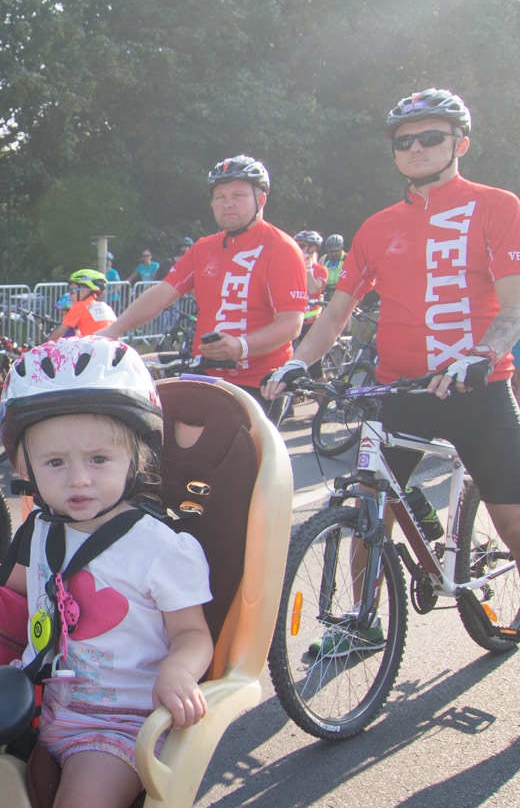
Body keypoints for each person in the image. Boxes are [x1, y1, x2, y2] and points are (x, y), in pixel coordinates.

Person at [0, 336, 212, 808]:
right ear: (26, 464)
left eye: (98, 458)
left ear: (135, 455)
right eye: (55, 461)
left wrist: (180, 666)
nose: (79, 479)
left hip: (117, 727)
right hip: (46, 706)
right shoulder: (39, 530)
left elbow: (194, 633)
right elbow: (15, 603)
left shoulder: (159, 547)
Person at [265, 89, 520, 582]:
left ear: (460, 143)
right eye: (404, 142)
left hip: (477, 389)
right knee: (366, 517)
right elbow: (336, 313)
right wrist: (299, 361)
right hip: (399, 392)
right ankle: (361, 627)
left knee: (511, 517)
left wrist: (484, 354)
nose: (416, 148)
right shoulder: (378, 227)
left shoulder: (497, 206)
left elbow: (513, 303)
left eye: (430, 137)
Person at [98, 156, 307, 412]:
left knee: (234, 452)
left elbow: (292, 323)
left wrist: (242, 346)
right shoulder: (204, 247)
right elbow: (163, 293)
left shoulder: (282, 249)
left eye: (238, 195)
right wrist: (114, 330)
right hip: (207, 374)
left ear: (260, 199)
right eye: (220, 197)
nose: (228, 203)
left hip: (259, 383)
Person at [52, 270, 117, 339]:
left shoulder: (80, 306)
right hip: (115, 347)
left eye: (72, 291)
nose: (70, 295)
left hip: (96, 348)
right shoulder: (105, 306)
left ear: (84, 292)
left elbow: (58, 334)